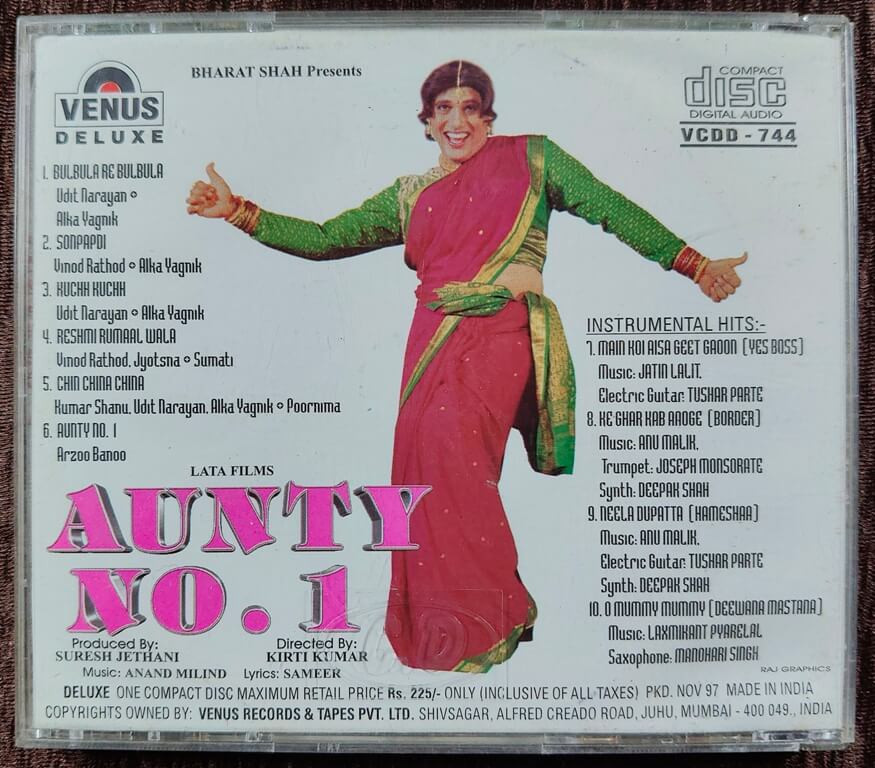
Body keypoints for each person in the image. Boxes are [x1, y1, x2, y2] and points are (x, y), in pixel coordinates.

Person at [187, 60, 747, 674]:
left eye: (470, 108)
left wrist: (694, 264)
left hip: (501, 333)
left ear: (489, 117)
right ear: (427, 122)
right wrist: (237, 211)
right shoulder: (410, 195)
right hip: (431, 342)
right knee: (427, 473)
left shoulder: (534, 159)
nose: (458, 121)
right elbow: (324, 238)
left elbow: (611, 208)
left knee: (455, 454)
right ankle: (470, 618)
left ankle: (490, 615)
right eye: (444, 110)